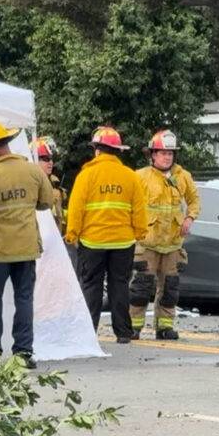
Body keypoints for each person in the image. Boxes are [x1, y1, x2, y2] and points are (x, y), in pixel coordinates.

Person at [0, 122, 54, 369]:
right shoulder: (33, 171)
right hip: (26, 247)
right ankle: (23, 353)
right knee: (24, 300)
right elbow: (47, 202)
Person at [65, 126, 148, 344]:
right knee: (119, 285)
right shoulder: (130, 177)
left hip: (92, 242)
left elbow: (76, 208)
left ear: (97, 151)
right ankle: (123, 333)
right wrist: (140, 232)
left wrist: (72, 234)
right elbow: (139, 209)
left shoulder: (86, 175)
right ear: (117, 151)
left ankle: (87, 332)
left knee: (91, 286)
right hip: (123, 241)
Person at [129, 130, 200, 341]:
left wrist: (190, 218)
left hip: (173, 243)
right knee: (141, 287)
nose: (167, 156)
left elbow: (195, 200)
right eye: (162, 153)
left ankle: (164, 327)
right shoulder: (140, 176)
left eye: (170, 153)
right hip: (147, 242)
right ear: (152, 154)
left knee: (170, 289)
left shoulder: (183, 177)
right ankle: (133, 327)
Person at [30, 136, 67, 234]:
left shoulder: (55, 181)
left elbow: (59, 212)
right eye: (46, 159)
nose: (50, 162)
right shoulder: (29, 184)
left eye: (51, 158)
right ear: (34, 160)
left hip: (56, 237)